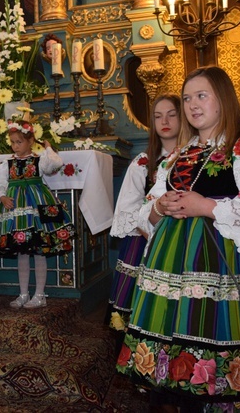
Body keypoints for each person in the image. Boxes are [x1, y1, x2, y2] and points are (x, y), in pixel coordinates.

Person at [117, 66, 240, 408]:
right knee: (183, 362)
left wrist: (207, 206)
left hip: (229, 264)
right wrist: (160, 207)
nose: (192, 105)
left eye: (202, 95)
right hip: (174, 267)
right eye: (187, 98)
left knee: (231, 355)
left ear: (223, 99)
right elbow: (147, 209)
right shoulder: (178, 155)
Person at [107, 94, 180, 331]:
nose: (164, 121)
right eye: (158, 116)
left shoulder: (193, 158)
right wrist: (152, 232)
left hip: (182, 239)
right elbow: (128, 210)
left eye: (171, 114)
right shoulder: (143, 162)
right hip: (145, 241)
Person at [0, 121, 75, 309]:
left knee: (39, 251)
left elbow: (54, 164)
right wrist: (2, 196)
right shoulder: (6, 163)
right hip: (15, 211)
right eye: (12, 142)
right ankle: (23, 293)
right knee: (22, 252)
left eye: (19, 142)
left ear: (30, 141)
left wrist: (48, 148)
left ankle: (40, 294)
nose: (15, 146)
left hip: (37, 207)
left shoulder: (39, 160)